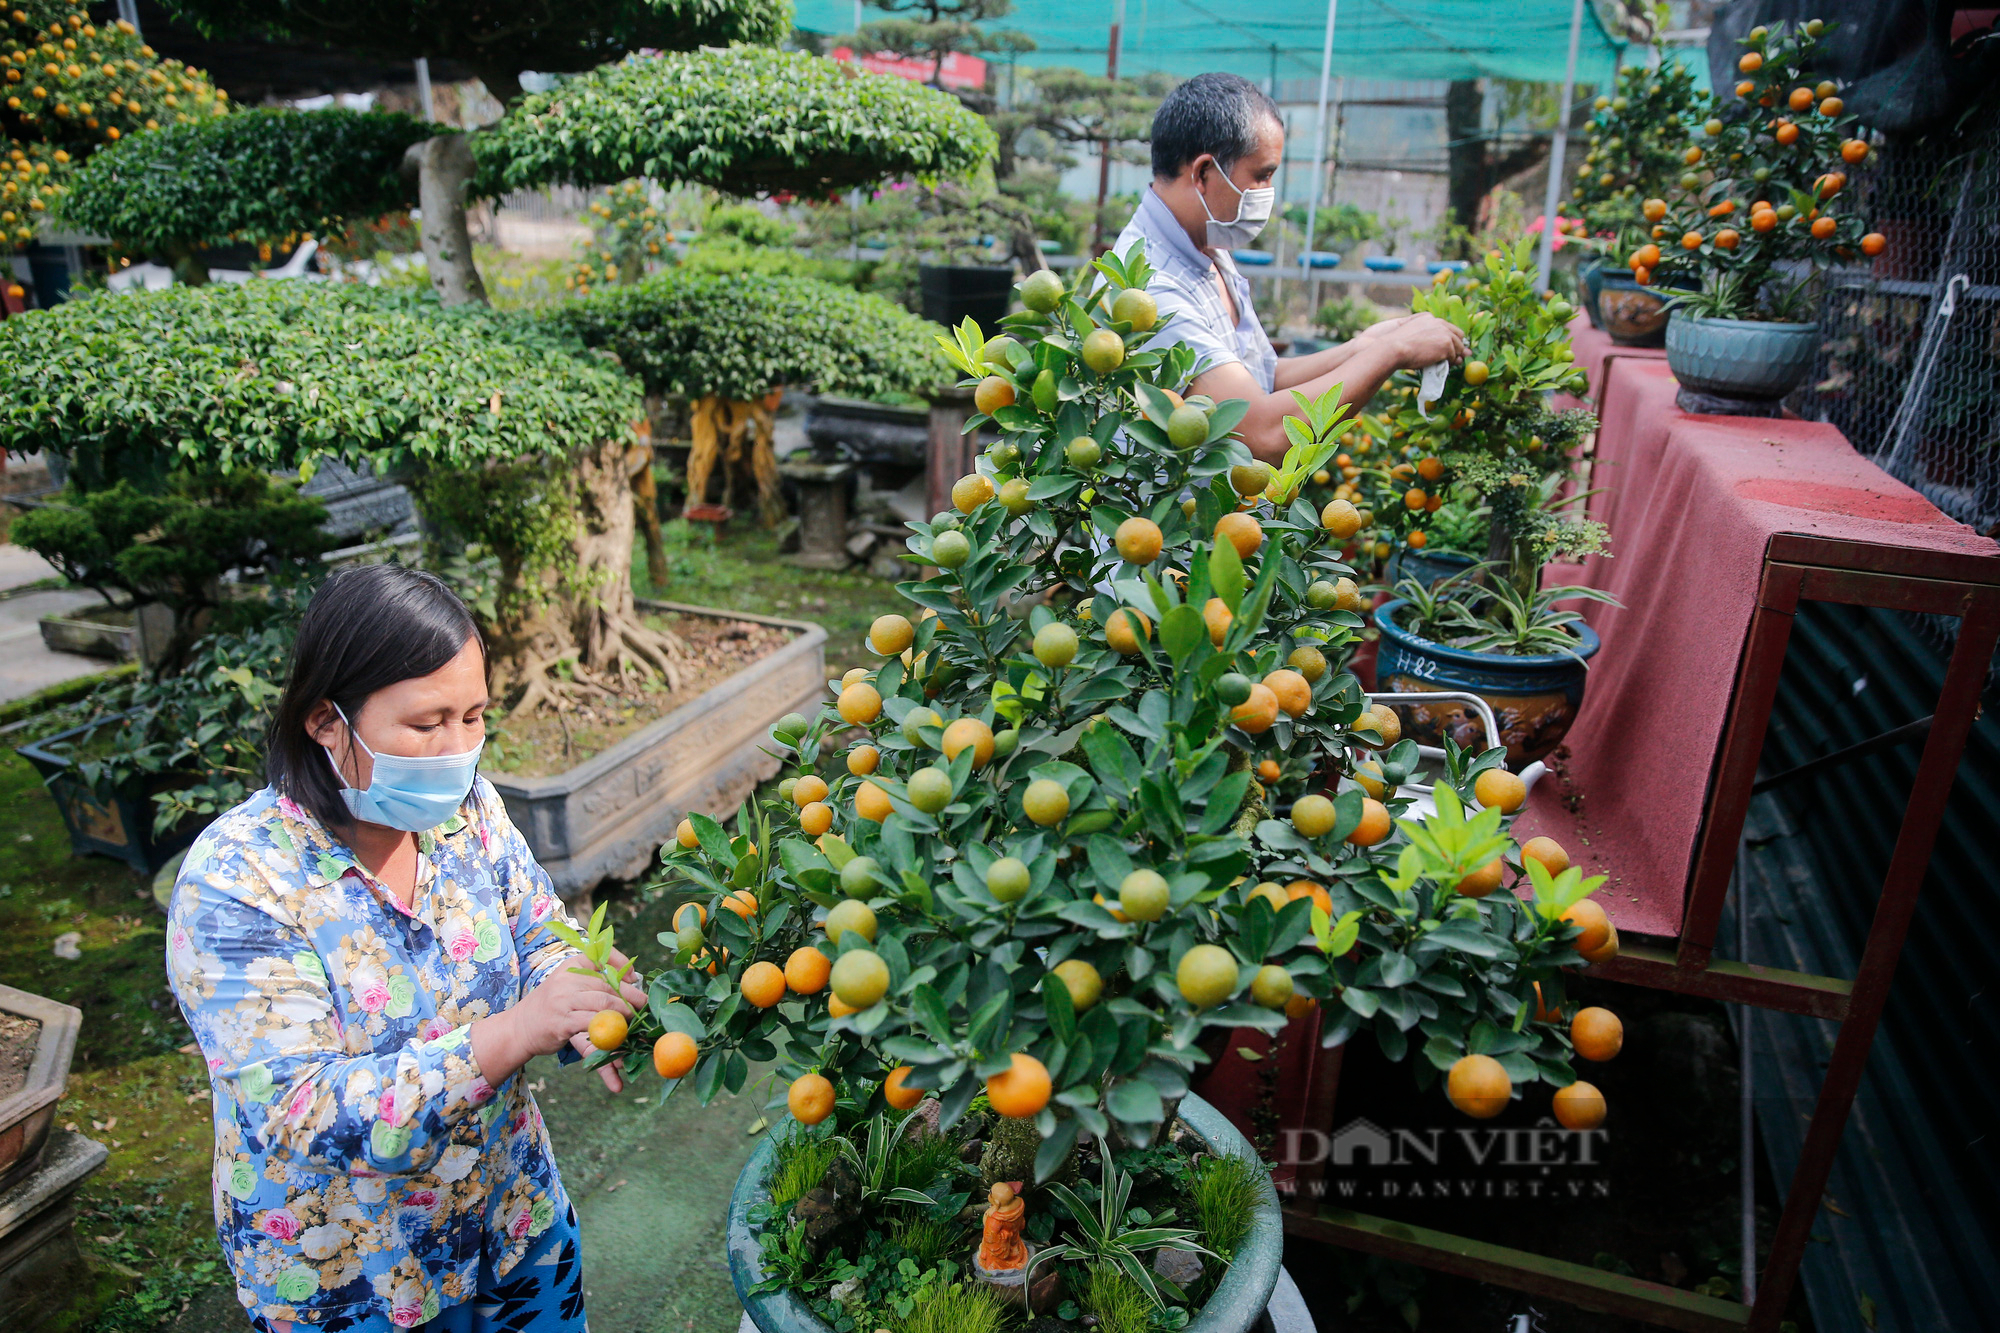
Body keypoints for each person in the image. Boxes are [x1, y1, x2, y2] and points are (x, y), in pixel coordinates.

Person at [167, 564, 644, 1332]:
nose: (457, 748)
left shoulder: (467, 812)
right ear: (326, 720)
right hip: (358, 1279)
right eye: (426, 724)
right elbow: (299, 1109)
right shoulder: (237, 884)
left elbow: (539, 930)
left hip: (511, 1219)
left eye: (475, 716)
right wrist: (517, 1029)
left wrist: (580, 990)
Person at [1114, 72, 1468, 465]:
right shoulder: (1150, 290)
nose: (1268, 193)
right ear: (1203, 173)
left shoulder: (1207, 246)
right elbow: (1263, 431)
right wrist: (1392, 352)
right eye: (1262, 175)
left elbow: (1261, 378)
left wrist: (1360, 348)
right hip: (1177, 525)